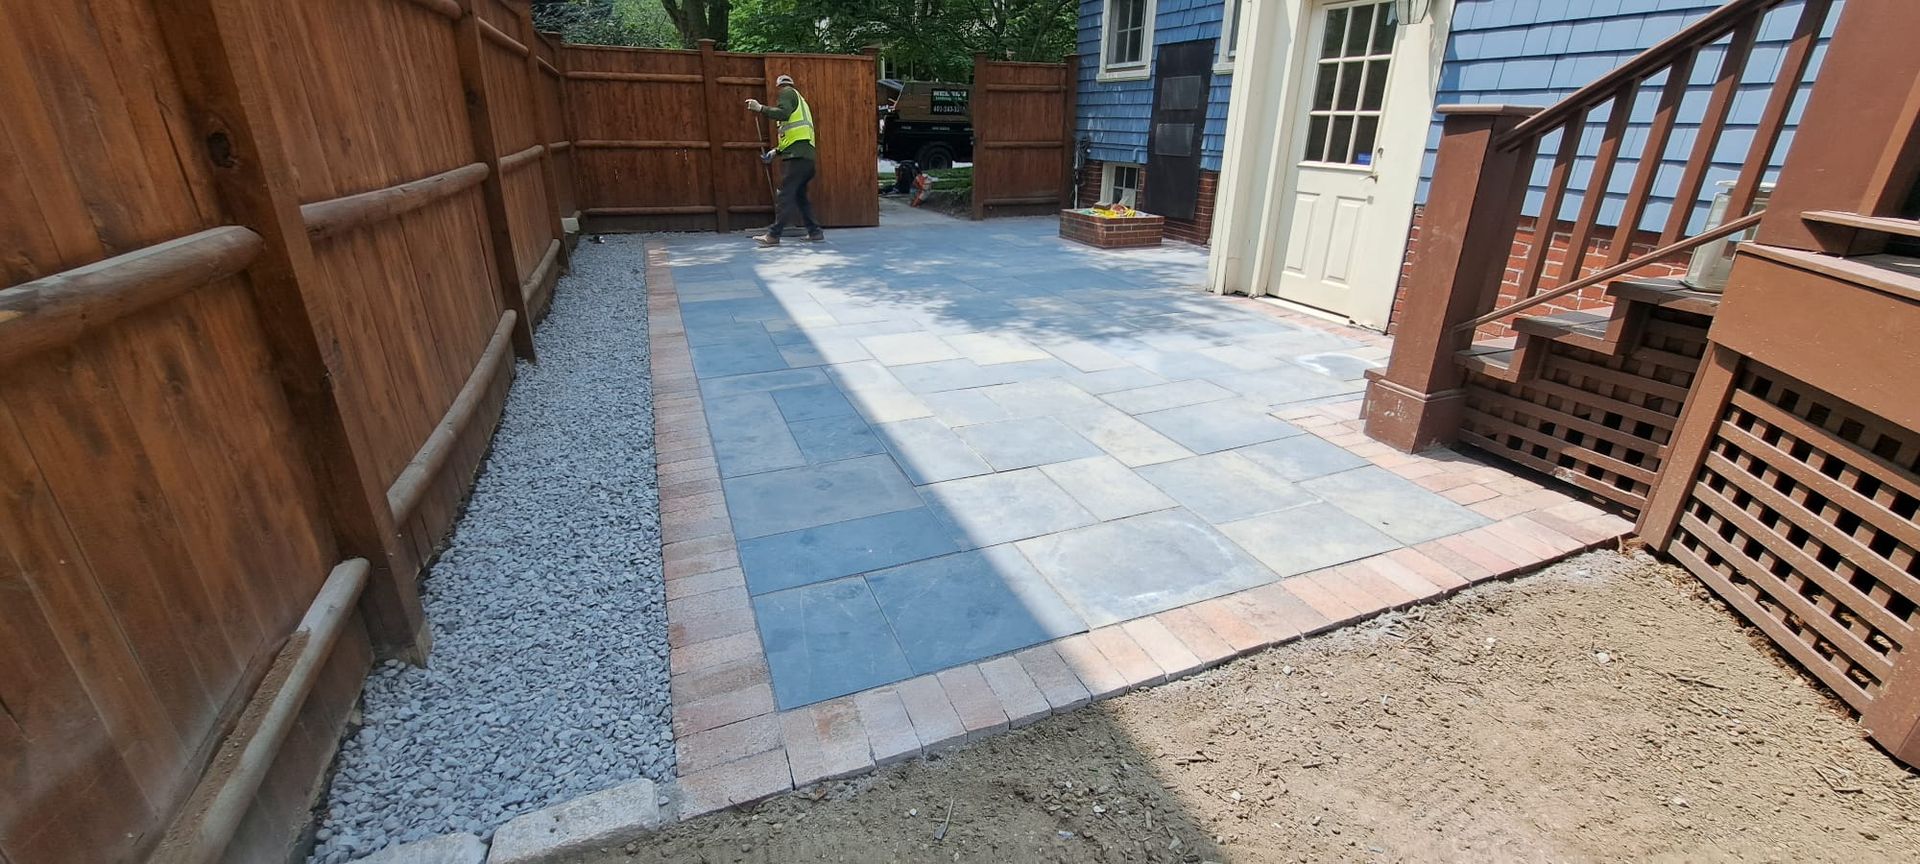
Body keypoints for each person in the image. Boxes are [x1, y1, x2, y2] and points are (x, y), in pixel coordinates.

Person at [745, 74, 822, 246]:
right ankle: (815, 232)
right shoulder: (800, 101)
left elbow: (784, 114)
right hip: (806, 157)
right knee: (800, 195)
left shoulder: (787, 93)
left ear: (779, 86)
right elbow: (796, 136)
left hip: (797, 158)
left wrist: (760, 108)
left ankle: (773, 235)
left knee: (786, 195)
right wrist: (776, 151)